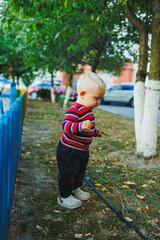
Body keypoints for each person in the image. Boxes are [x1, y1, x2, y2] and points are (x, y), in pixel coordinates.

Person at [56, 72, 106, 209]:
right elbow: (66, 126)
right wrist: (79, 126)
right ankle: (63, 196)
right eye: (96, 98)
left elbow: (87, 129)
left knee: (79, 172)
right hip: (69, 150)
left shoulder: (87, 110)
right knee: (68, 173)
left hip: (82, 150)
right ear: (83, 94)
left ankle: (75, 189)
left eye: (100, 98)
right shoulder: (74, 109)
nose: (98, 102)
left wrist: (96, 132)